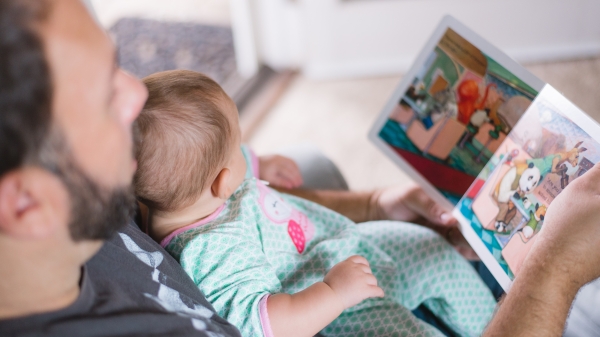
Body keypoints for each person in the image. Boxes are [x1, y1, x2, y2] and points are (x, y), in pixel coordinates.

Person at [0, 0, 598, 336]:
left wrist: (370, 204)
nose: (136, 94)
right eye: (104, 95)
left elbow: (237, 197)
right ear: (25, 204)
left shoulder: (106, 184)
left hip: (326, 257)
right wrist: (555, 271)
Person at [134, 69, 497, 337]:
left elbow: (219, 162)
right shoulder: (212, 250)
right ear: (223, 181)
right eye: (239, 147)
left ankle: (494, 324)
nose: (245, 151)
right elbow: (265, 324)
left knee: (431, 248)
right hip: (338, 308)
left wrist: (259, 162)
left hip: (344, 245)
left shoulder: (191, 192)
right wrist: (334, 293)